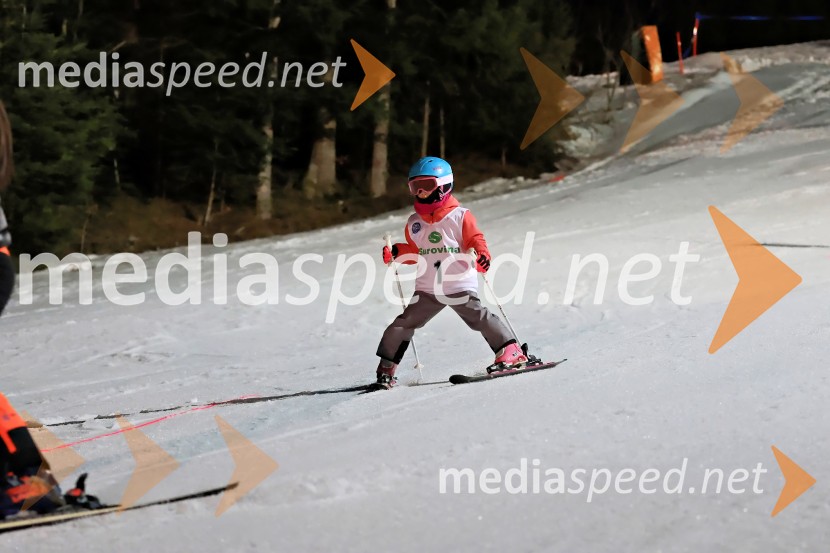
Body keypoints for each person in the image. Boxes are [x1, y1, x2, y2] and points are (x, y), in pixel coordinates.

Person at [374, 156, 527, 389]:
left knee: (478, 317)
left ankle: (511, 351)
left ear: (444, 185)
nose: (422, 192)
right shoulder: (414, 222)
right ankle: (387, 368)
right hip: (427, 288)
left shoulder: (460, 216)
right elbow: (417, 253)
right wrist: (396, 252)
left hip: (458, 284)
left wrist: (482, 254)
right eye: (416, 186)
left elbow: (476, 240)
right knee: (403, 323)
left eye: (428, 185)